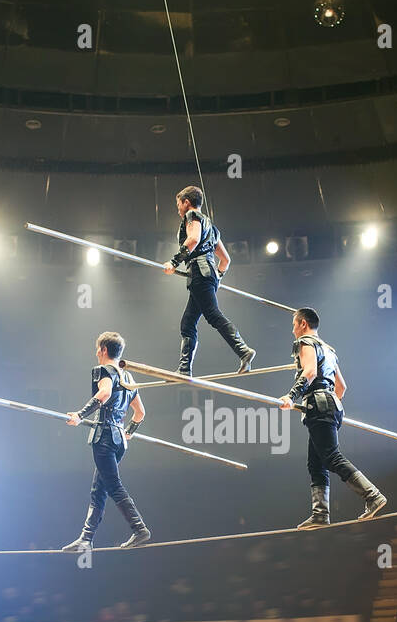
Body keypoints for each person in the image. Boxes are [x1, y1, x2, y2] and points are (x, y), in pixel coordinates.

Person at [278, 307, 385, 529]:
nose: (293, 330)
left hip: (319, 405)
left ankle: (372, 495)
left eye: (294, 325)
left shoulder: (305, 342)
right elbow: (342, 388)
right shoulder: (329, 349)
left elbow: (309, 372)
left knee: (331, 457)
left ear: (303, 324)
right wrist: (328, 403)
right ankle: (320, 514)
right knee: (316, 463)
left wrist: (290, 396)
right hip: (330, 406)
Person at [63, 331, 151, 551]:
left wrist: (80, 415)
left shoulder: (103, 371)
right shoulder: (128, 378)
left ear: (103, 350)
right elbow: (140, 413)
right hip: (119, 440)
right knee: (99, 489)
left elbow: (104, 394)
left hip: (104, 437)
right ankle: (86, 538)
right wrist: (128, 431)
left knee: (113, 486)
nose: (96, 354)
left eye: (97, 350)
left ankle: (139, 528)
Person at [162, 185, 255, 376]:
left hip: (199, 272)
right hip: (208, 274)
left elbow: (194, 239)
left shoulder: (192, 216)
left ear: (186, 202)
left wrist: (174, 262)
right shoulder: (212, 228)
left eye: (178, 204)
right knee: (188, 323)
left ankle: (243, 350)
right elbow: (225, 260)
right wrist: (217, 278)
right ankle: (184, 369)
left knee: (212, 315)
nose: (178, 209)